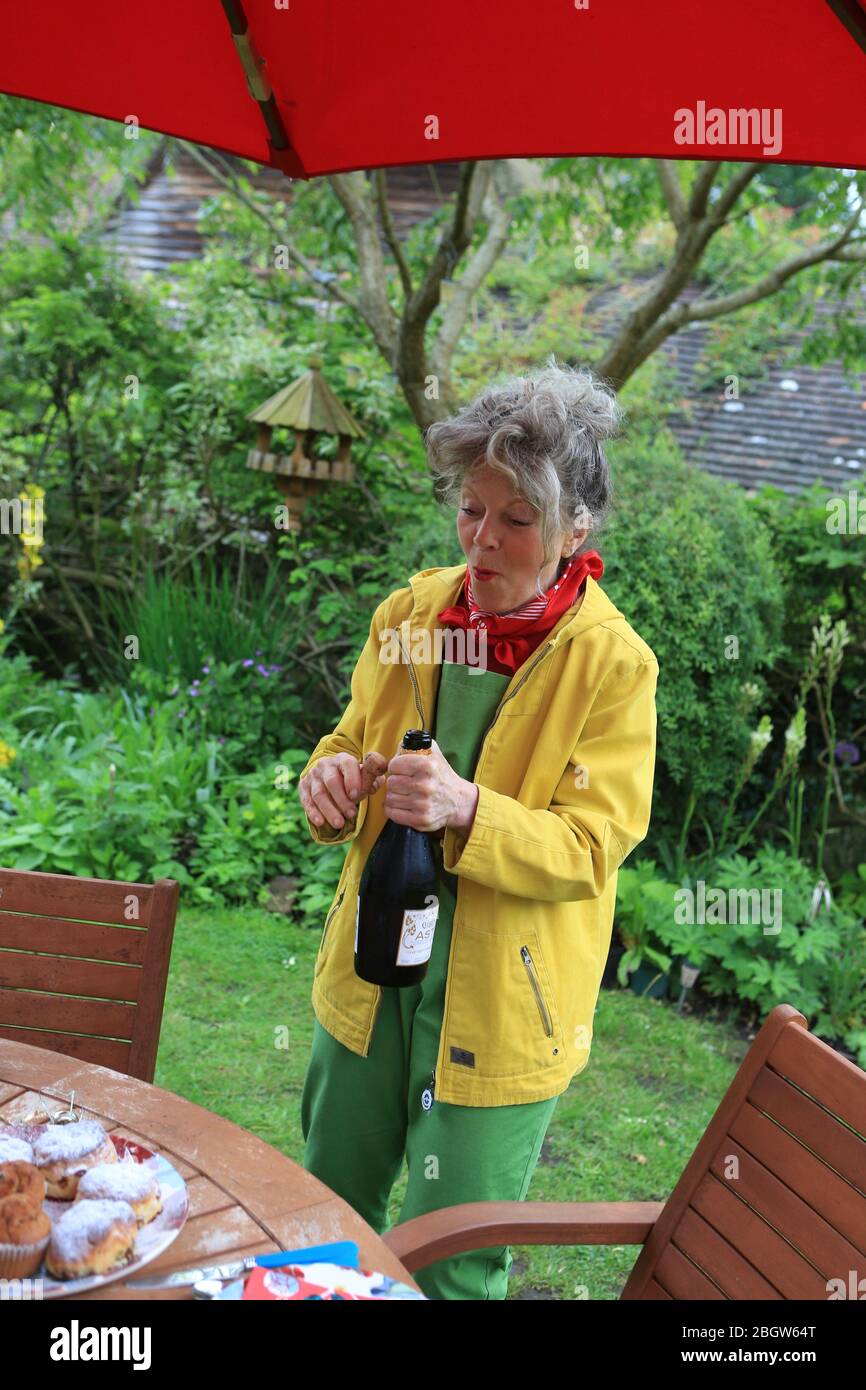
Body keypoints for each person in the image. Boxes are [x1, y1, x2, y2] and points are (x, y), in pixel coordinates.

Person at [297, 355, 659, 1300]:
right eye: (470, 509)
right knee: (320, 1214)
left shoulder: (614, 666)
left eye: (516, 520)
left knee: (450, 1260)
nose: (482, 540)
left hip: (506, 1005)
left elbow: (592, 846)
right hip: (373, 972)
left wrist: (467, 809)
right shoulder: (413, 613)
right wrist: (330, 778)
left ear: (577, 528)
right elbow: (348, 738)